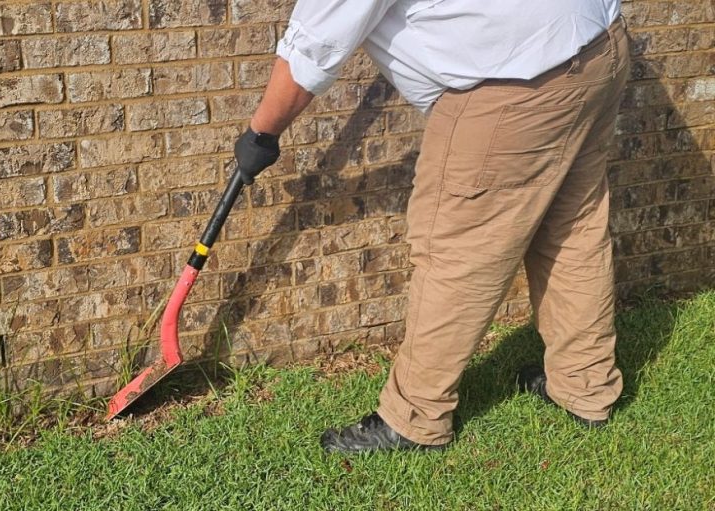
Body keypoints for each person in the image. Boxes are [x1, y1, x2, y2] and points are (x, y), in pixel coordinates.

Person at [234, 0, 630, 454]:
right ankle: (585, 386)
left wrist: (260, 134)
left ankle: (415, 418)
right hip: (598, 47)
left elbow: (313, 47)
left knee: (454, 255)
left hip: (517, 83)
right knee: (573, 229)